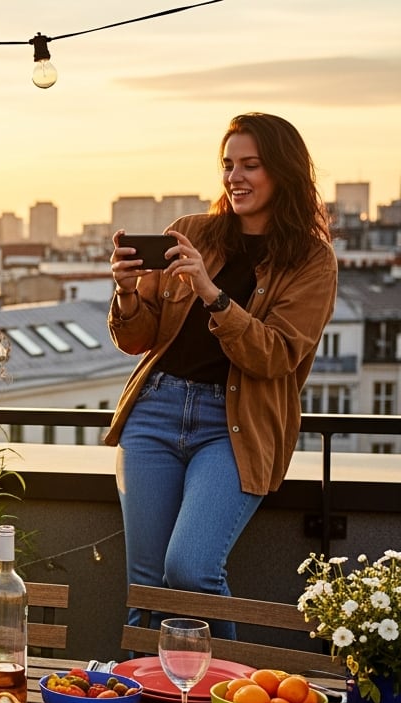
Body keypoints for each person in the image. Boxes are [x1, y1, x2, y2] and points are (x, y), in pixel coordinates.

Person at [104, 112, 338, 640]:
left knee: (189, 568)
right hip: (156, 411)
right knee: (146, 586)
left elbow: (275, 356)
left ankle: (230, 698)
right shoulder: (191, 232)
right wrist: (126, 292)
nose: (236, 177)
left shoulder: (311, 260)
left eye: (251, 165)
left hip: (234, 426)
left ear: (283, 172)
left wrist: (213, 294)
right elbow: (137, 340)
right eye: (228, 165)